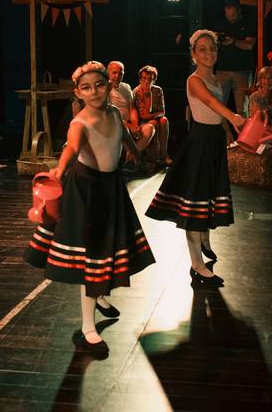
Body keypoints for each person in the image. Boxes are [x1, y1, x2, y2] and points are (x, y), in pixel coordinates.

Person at [24, 61, 156, 358]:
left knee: (107, 250)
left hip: (111, 188)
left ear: (108, 86)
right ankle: (88, 327)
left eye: (99, 85)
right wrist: (59, 169)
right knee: (93, 258)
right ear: (78, 93)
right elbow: (72, 148)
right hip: (87, 192)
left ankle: (101, 297)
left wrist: (135, 151)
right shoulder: (79, 122)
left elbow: (124, 137)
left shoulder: (114, 114)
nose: (94, 91)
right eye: (86, 88)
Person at [146, 30, 246, 286]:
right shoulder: (194, 80)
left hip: (213, 141)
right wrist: (233, 116)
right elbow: (210, 102)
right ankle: (197, 265)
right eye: (202, 49)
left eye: (212, 48)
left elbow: (216, 111)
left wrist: (226, 130)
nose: (209, 53)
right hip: (200, 142)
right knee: (195, 202)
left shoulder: (214, 78)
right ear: (193, 54)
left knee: (208, 194)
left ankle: (204, 238)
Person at [214, 0, 256, 116]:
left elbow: (249, 45)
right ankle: (224, 129)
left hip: (242, 71)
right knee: (218, 107)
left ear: (239, 10)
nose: (230, 16)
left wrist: (233, 41)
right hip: (222, 70)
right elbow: (214, 43)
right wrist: (218, 39)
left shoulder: (247, 23)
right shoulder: (221, 24)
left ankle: (244, 128)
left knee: (243, 109)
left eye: (232, 13)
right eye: (227, 12)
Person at [107, 60, 155, 165]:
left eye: (120, 73)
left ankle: (130, 157)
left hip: (130, 123)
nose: (117, 76)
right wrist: (130, 127)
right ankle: (133, 159)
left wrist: (135, 125)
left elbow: (132, 108)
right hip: (116, 124)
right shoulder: (105, 89)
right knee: (121, 128)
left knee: (150, 128)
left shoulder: (126, 87)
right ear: (108, 73)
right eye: (114, 73)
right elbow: (110, 115)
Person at [132, 65, 173, 166]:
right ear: (140, 79)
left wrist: (153, 115)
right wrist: (148, 95)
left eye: (150, 79)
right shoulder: (137, 92)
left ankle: (164, 154)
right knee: (154, 123)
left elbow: (162, 112)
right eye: (144, 78)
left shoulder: (158, 90)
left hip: (155, 118)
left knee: (163, 120)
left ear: (154, 80)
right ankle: (152, 157)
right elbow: (143, 115)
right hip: (141, 121)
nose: (147, 81)